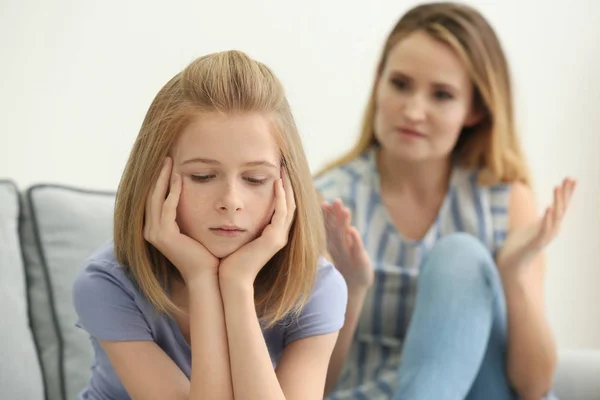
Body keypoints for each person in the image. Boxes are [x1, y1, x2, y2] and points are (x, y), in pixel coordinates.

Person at [315, 3, 576, 400]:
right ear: (378, 83)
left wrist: (513, 274)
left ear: (475, 110)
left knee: (461, 258)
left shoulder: (506, 202)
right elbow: (311, 384)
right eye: (400, 84)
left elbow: (534, 387)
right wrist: (352, 288)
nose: (413, 111)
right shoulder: (330, 203)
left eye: (441, 95)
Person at [72, 50, 348, 400]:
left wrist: (236, 283)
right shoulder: (108, 283)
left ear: (288, 186)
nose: (231, 200)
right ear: (154, 179)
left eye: (255, 178)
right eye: (203, 176)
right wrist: (202, 279)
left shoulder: (317, 288)